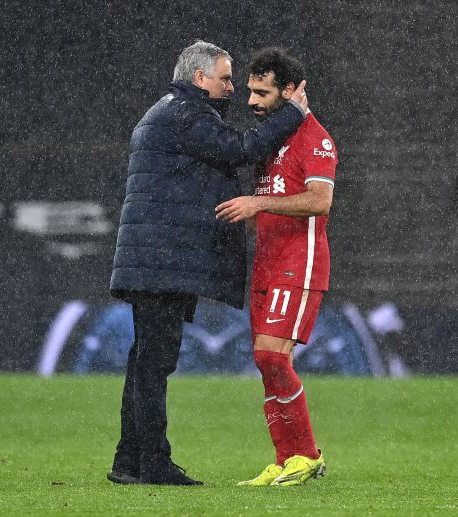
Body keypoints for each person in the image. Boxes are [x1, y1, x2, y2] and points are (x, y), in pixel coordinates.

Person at [108, 40, 309, 486]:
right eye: (224, 78)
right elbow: (239, 148)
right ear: (199, 78)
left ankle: (129, 460)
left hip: (154, 259)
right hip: (160, 262)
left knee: (145, 360)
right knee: (154, 363)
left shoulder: (166, 111)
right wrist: (292, 113)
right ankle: (153, 463)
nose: (232, 88)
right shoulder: (185, 113)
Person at [215, 47, 337, 486]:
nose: (251, 101)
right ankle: (288, 460)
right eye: (249, 91)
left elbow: (320, 201)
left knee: (271, 356)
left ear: (290, 91)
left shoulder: (315, 138)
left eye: (262, 92)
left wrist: (257, 202)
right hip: (266, 265)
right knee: (265, 362)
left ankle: (307, 454)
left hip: (298, 263)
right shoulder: (271, 140)